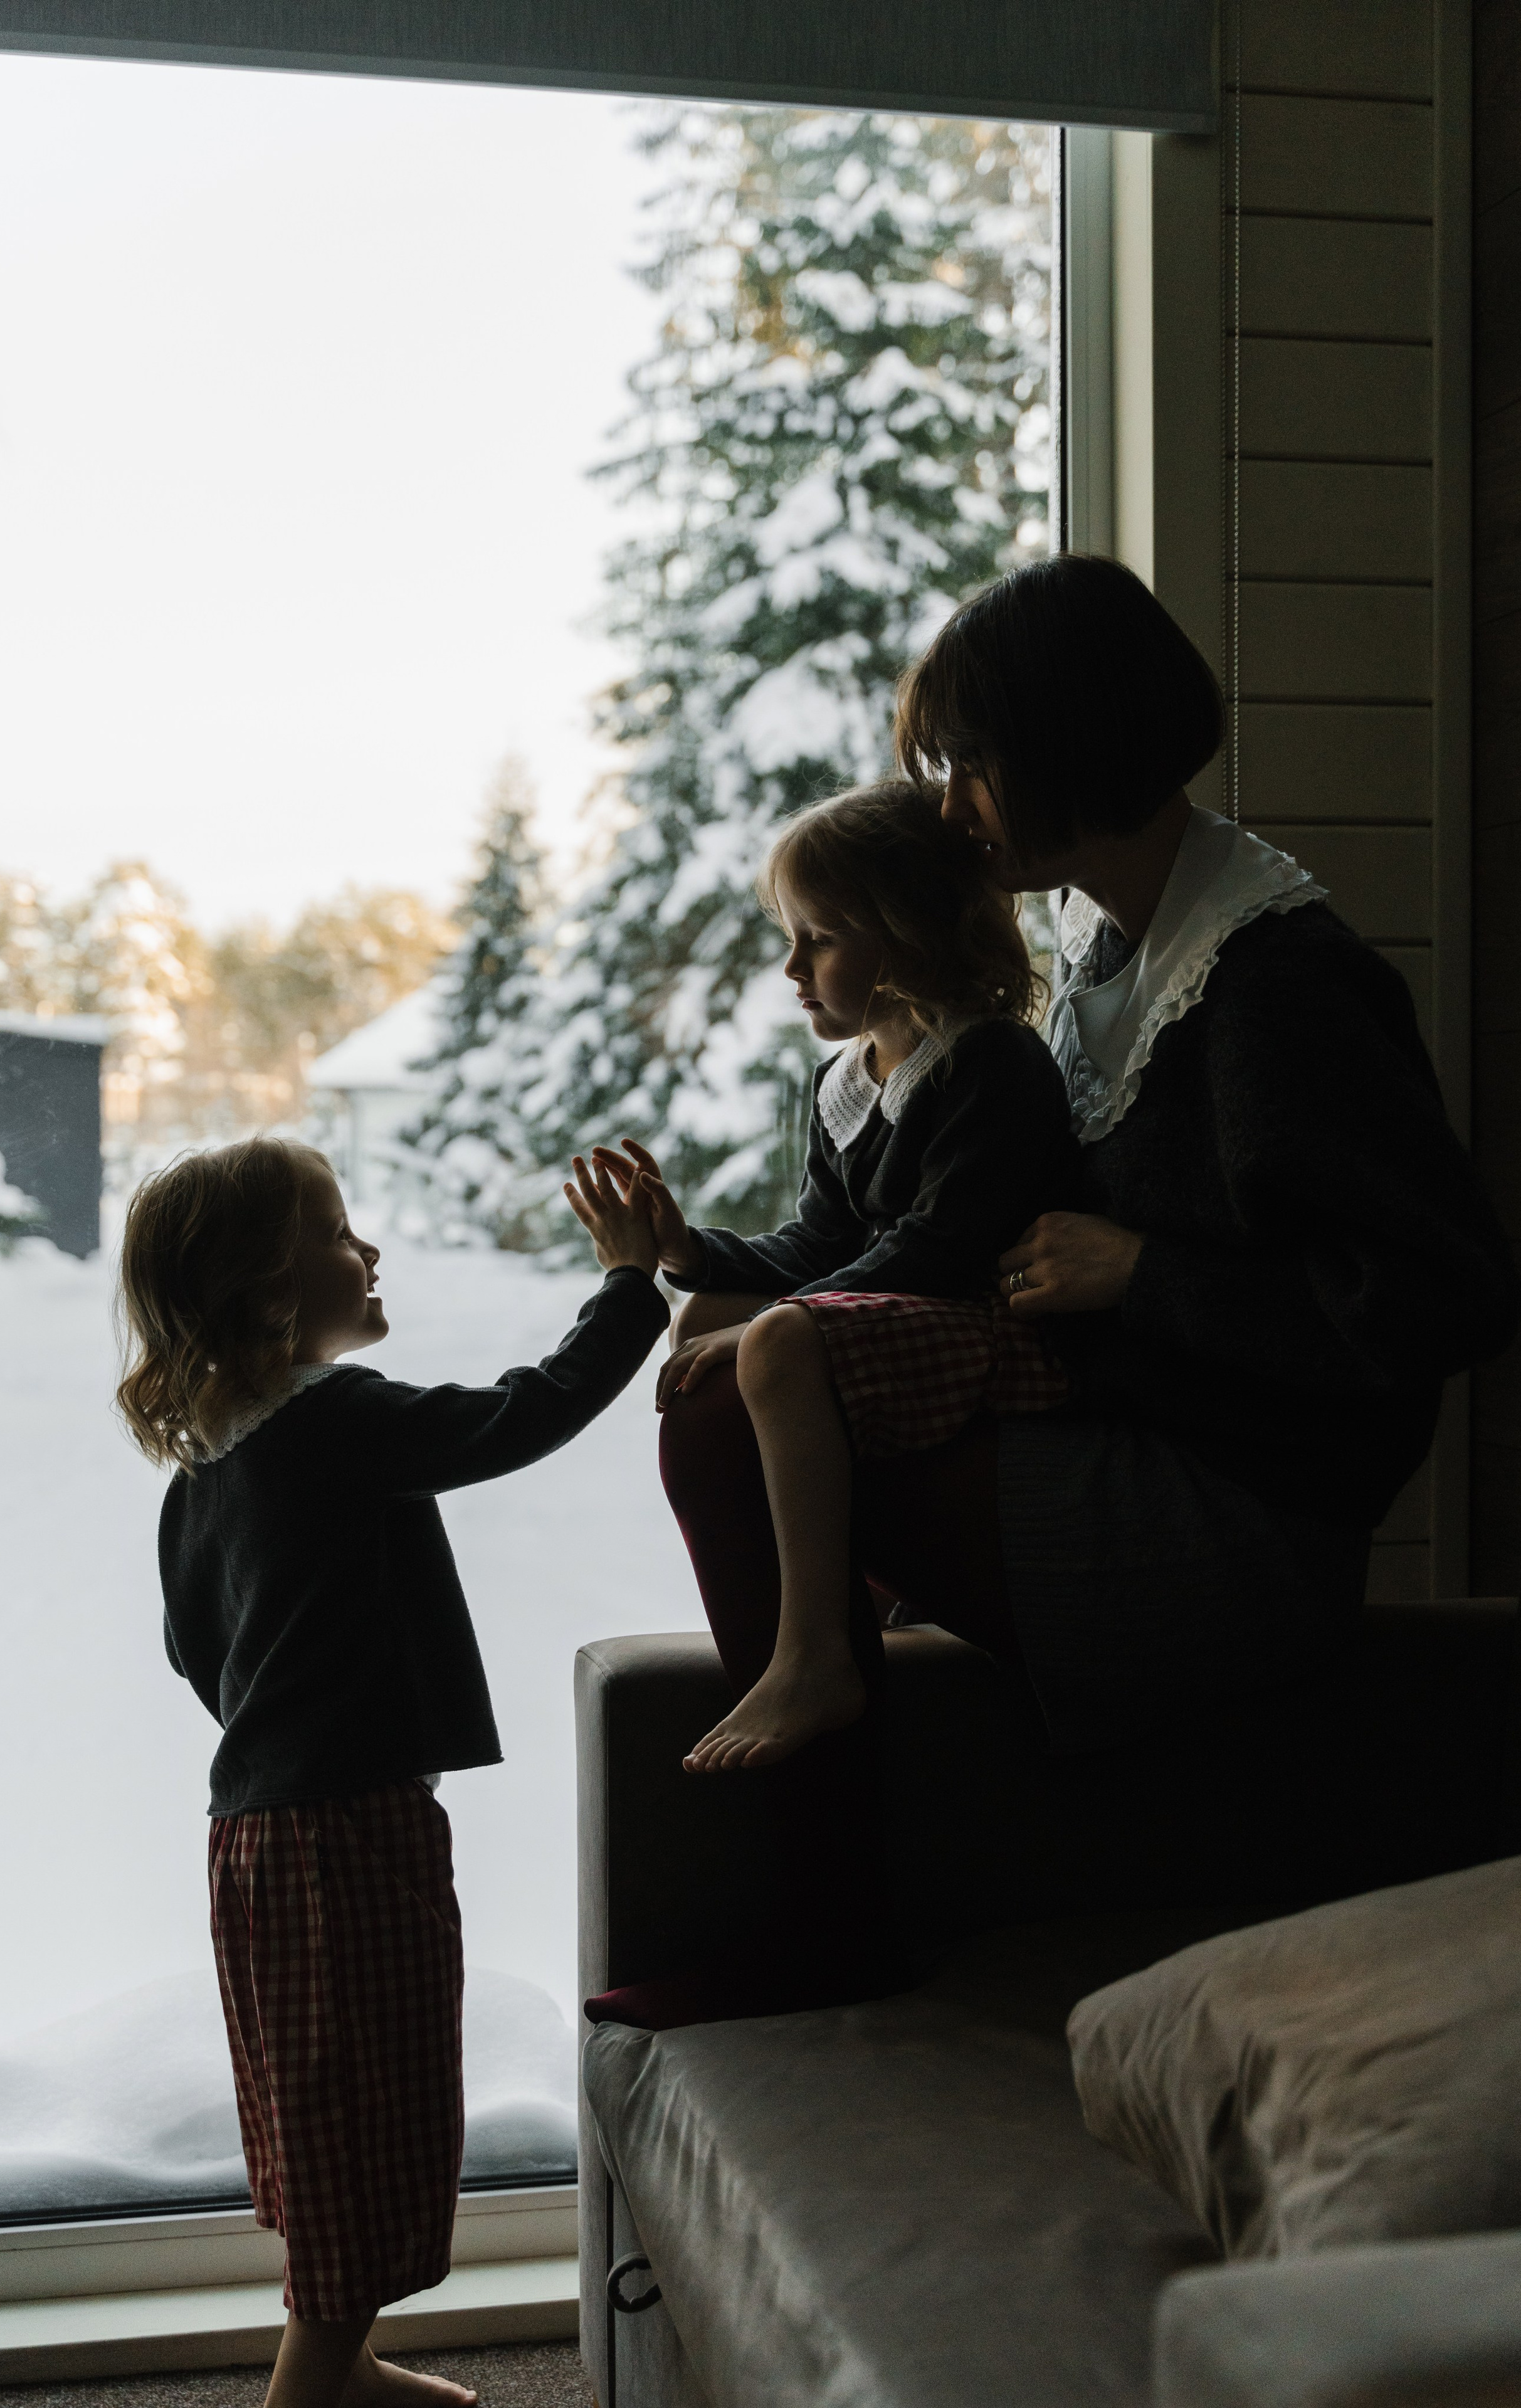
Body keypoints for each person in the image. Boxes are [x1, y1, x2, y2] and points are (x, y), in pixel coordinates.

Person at [593, 553, 1518, 2032]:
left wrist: (1146, 1276)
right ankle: (828, 1827)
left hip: (1235, 1523)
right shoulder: (1107, 961)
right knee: (742, 1376)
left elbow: (1438, 1304)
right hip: (1118, 1441)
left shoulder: (1270, 985)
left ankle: (825, 1915)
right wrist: (701, 1274)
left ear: (1063, 747)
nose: (950, 804)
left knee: (728, 1419)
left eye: (967, 762)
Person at [115, 1136, 663, 2408]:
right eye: (338, 1231)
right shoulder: (333, 1424)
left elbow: (193, 1651)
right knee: (373, 2109)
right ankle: (310, 2386)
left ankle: (342, 2363)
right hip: (347, 1830)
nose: (368, 1251)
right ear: (266, 1289)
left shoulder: (207, 1471)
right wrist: (630, 1285)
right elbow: (519, 1416)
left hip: (253, 1835)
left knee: (323, 2110)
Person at [592, 779, 1079, 1775]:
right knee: (708, 1320)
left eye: (817, 938)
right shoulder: (847, 1083)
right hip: (902, 1330)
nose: (791, 966)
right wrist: (686, 1252)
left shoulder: (990, 1063)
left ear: (902, 936)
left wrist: (789, 1324)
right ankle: (818, 1601)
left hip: (1004, 1340)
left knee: (768, 1338)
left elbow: (942, 1251)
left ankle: (816, 1648)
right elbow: (816, 1246)